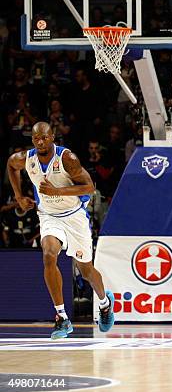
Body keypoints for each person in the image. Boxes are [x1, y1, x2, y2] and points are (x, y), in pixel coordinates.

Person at [6, 122, 115, 339]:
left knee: (86, 271)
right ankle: (62, 317)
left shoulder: (68, 158)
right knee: (48, 255)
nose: (40, 142)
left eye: (44, 138)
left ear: (52, 137)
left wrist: (58, 190)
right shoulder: (26, 159)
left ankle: (104, 303)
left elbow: (89, 187)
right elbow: (10, 165)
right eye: (36, 138)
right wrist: (18, 196)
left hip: (75, 216)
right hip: (48, 215)